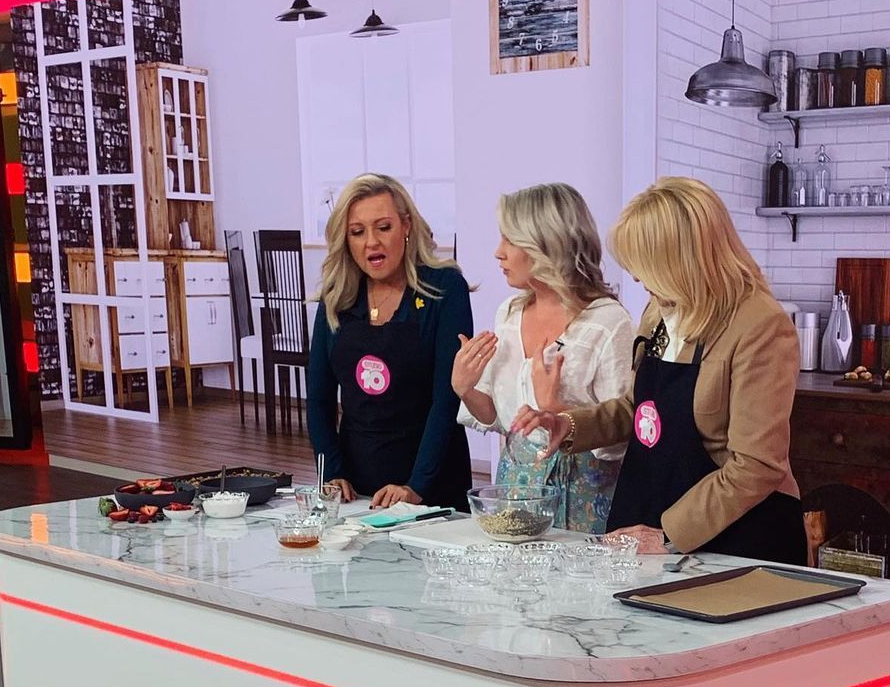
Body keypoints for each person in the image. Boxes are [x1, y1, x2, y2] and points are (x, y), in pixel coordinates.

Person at [512, 176, 807, 564]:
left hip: (738, 540)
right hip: (656, 519)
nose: (636, 278)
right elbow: (641, 409)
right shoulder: (660, 311)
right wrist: (568, 425)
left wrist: (670, 534)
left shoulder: (760, 326)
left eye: (644, 265)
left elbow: (756, 467)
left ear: (681, 261)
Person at [451, 183, 636, 534]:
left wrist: (557, 410)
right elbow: (496, 417)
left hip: (585, 499)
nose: (498, 252)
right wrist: (465, 388)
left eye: (510, 240)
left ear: (547, 243)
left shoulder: (608, 323)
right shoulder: (509, 313)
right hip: (515, 493)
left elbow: (621, 439)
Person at [307, 173, 473, 510]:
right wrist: (332, 473)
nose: (372, 242)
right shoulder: (336, 297)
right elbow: (319, 398)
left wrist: (416, 486)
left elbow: (446, 399)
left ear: (406, 226)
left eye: (383, 227)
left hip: (431, 485)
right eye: (357, 232)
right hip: (356, 491)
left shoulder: (445, 288)